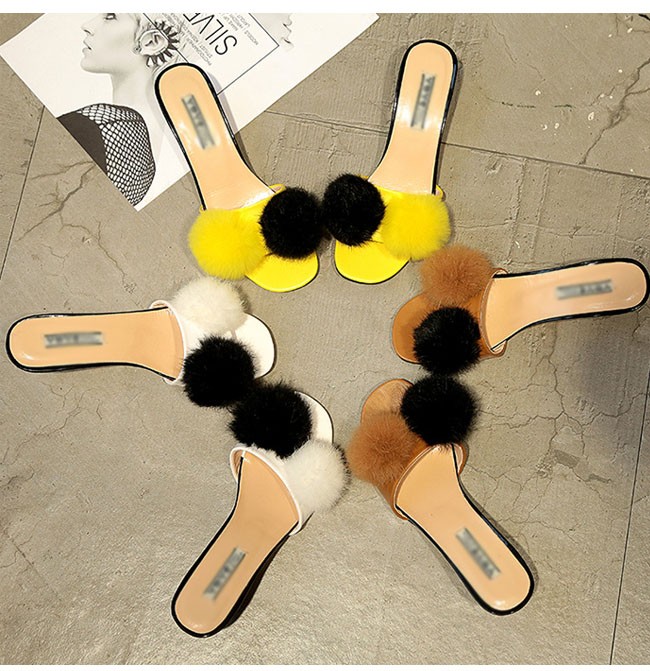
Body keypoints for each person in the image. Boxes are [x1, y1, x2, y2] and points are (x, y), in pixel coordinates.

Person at [58, 14, 181, 206]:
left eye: (110, 17)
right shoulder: (140, 144)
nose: (87, 26)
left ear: (152, 42)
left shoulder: (107, 128)